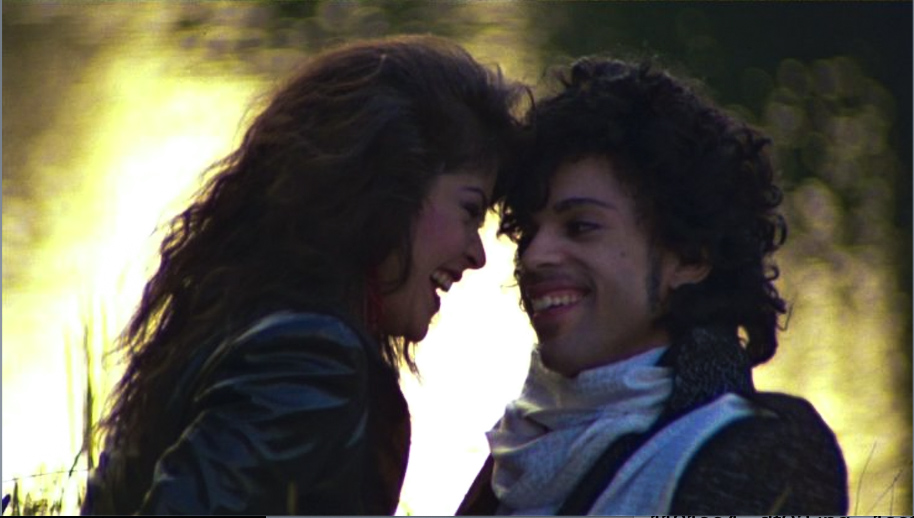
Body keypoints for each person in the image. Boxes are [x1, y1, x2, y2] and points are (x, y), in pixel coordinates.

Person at [80, 35, 523, 515]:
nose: (476, 254)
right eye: (469, 210)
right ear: (390, 183)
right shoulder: (309, 353)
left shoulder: (245, 315)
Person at [457, 57, 848, 515]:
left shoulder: (758, 451)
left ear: (689, 257)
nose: (535, 256)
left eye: (580, 226)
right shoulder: (525, 436)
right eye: (528, 231)